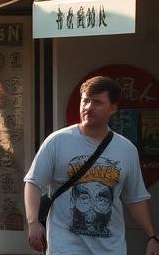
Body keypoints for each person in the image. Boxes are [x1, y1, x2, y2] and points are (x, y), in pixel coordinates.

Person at [24, 76, 157, 255]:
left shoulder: (126, 150)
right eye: (85, 101)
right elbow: (33, 183)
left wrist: (152, 237)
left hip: (111, 249)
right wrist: (33, 222)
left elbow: (136, 198)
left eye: (97, 103)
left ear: (113, 108)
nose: (88, 107)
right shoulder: (57, 142)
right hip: (64, 248)